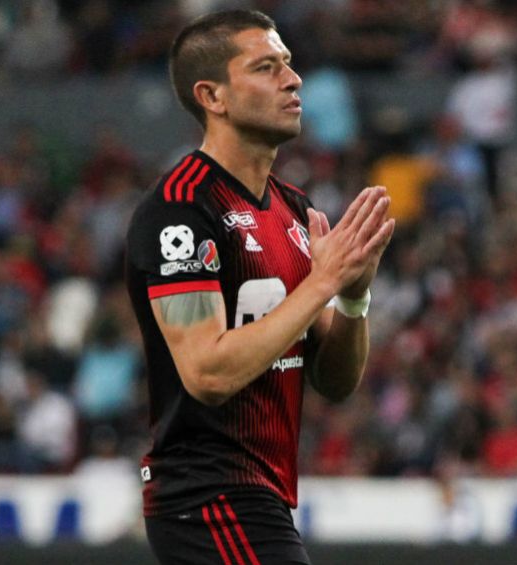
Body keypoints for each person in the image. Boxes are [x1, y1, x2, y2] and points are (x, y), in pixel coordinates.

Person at [124, 10, 395, 565]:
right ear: (213, 96)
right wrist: (321, 282)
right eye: (266, 67)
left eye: (289, 65)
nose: (293, 80)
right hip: (207, 498)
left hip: (262, 496)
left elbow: (335, 381)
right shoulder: (181, 209)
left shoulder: (295, 210)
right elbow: (207, 373)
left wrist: (351, 297)